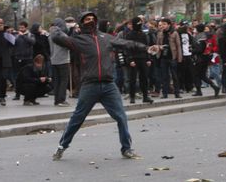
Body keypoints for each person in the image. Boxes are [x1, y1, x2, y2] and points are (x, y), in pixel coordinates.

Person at [51, 12, 159, 160]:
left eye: (92, 19)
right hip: (89, 85)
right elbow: (57, 37)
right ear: (81, 23)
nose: (90, 21)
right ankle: (61, 147)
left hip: (109, 85)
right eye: (86, 20)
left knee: (121, 116)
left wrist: (146, 48)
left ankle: (126, 149)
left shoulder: (106, 38)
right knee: (77, 118)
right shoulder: (78, 40)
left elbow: (127, 44)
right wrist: (62, 27)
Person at [126, 17, 153, 104]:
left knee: (144, 78)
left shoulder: (143, 34)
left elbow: (146, 47)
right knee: (132, 79)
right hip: (134, 59)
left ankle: (145, 96)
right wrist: (130, 60)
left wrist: (148, 58)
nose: (140, 26)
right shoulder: (129, 35)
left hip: (143, 59)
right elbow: (128, 48)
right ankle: (132, 97)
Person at [156, 18, 182, 99]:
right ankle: (165, 93)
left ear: (168, 25)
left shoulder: (174, 33)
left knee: (174, 76)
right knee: (164, 76)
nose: (163, 26)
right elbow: (157, 45)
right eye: (162, 24)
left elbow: (178, 46)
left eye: (164, 24)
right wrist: (160, 47)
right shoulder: (160, 33)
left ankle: (177, 93)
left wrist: (179, 58)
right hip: (163, 57)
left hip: (172, 57)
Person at [191, 24, 220, 97]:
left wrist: (192, 50)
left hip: (200, 59)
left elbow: (200, 49)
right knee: (202, 75)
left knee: (196, 75)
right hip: (206, 57)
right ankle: (214, 86)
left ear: (197, 29)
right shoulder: (207, 36)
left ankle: (199, 91)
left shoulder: (200, 37)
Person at [49, 18, 70, 107]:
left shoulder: (50, 35)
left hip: (54, 60)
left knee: (57, 81)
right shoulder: (62, 35)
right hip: (63, 60)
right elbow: (69, 45)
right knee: (64, 81)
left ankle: (56, 100)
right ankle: (61, 99)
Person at [12, 21, 35, 101]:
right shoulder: (16, 35)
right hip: (18, 58)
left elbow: (32, 42)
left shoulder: (30, 35)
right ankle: (17, 94)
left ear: (26, 28)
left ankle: (27, 95)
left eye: (22, 28)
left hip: (28, 58)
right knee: (17, 77)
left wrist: (23, 36)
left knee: (27, 77)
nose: (21, 29)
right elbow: (13, 44)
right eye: (20, 27)